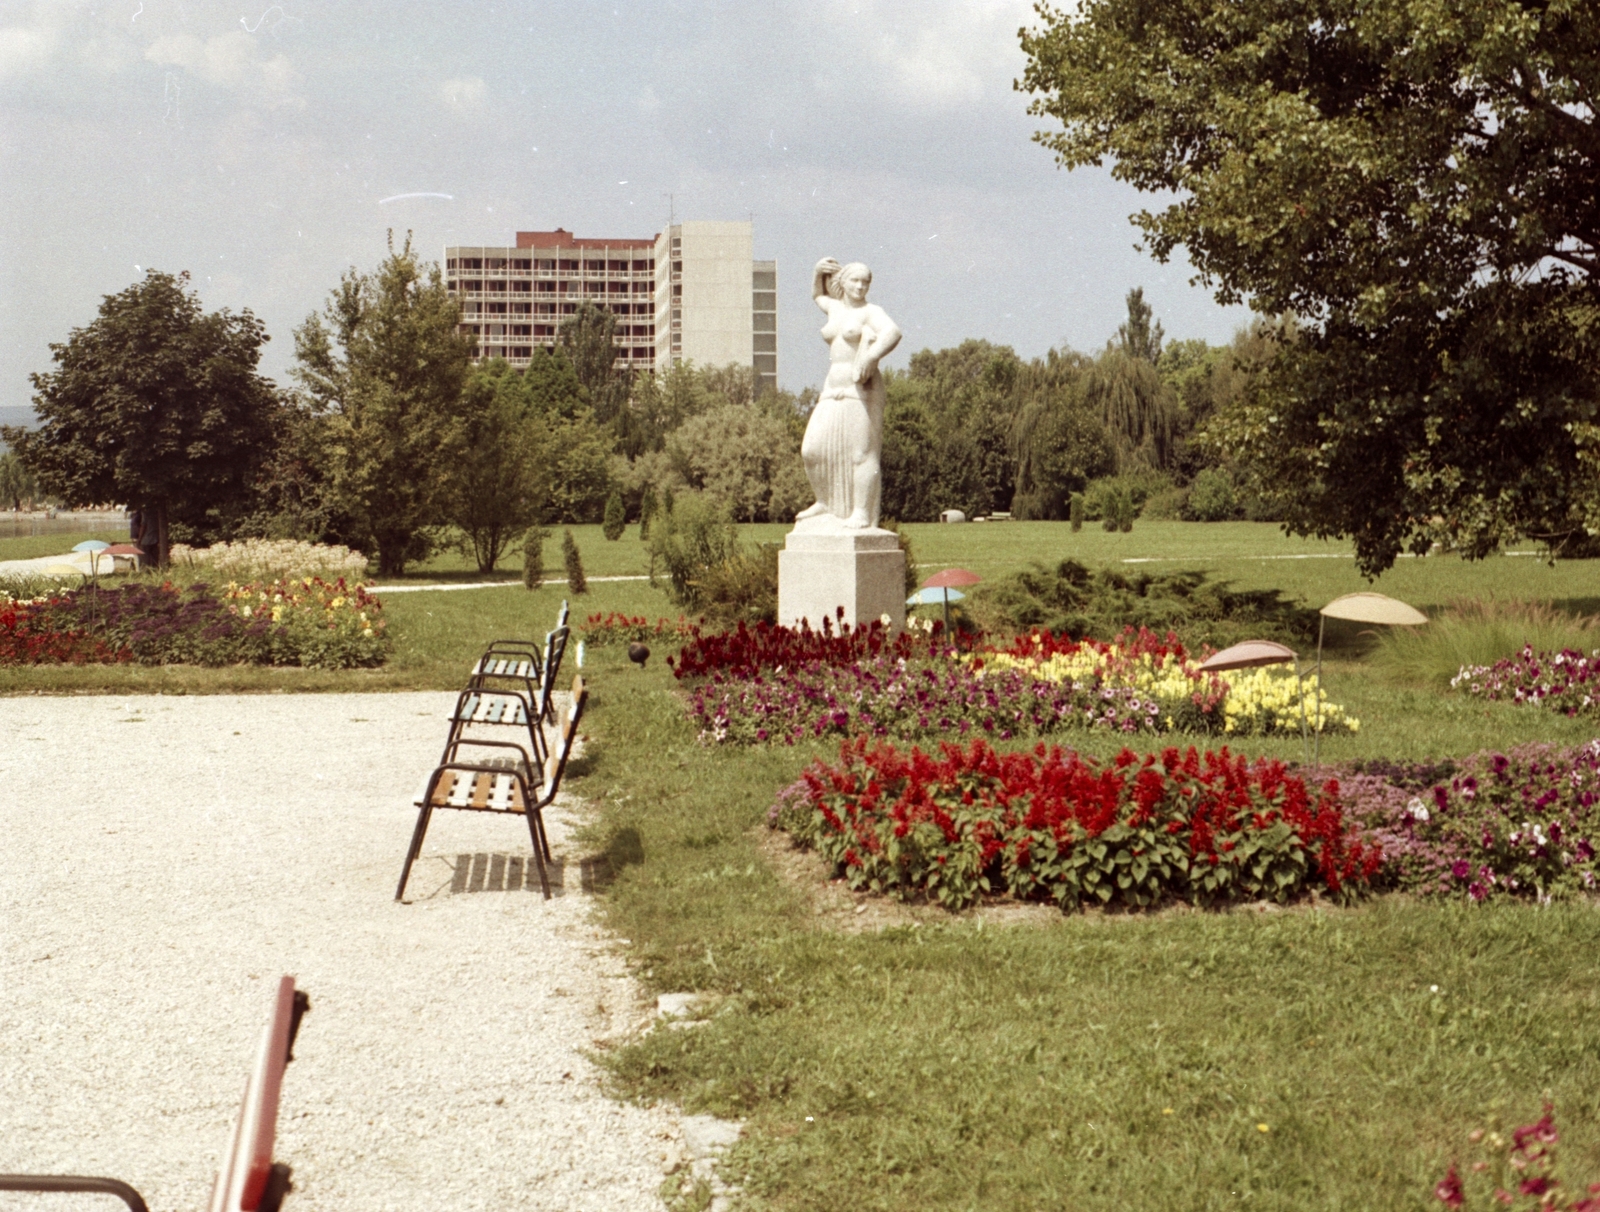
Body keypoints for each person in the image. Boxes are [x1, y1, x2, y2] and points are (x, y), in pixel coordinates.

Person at [795, 258, 902, 530]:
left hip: (860, 388)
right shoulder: (834, 308)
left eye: (866, 281)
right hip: (832, 389)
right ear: (843, 282)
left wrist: (871, 356)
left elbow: (892, 332)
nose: (861, 286)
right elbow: (817, 294)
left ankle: (861, 513)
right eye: (855, 280)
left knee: (861, 454)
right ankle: (825, 502)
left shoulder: (870, 311)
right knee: (811, 449)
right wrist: (817, 271)